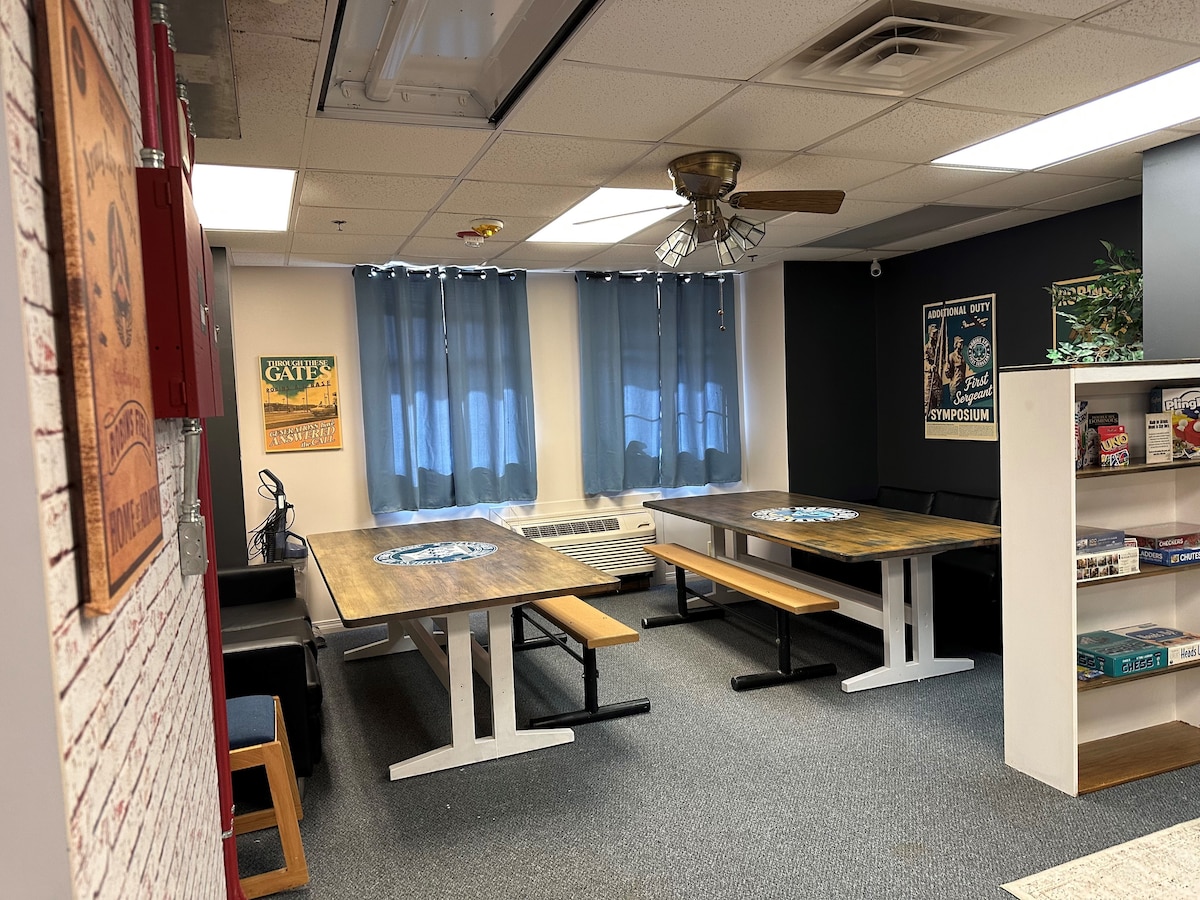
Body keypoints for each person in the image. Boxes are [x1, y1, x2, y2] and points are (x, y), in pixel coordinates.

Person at [923, 323, 942, 415]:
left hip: (936, 378)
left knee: (937, 400)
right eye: (933, 333)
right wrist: (930, 367)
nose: (935, 335)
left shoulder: (937, 347)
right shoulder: (926, 348)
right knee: (928, 401)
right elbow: (924, 361)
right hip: (929, 377)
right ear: (930, 333)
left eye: (936, 333)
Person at [945, 334, 967, 399]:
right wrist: (947, 371)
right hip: (955, 385)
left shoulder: (962, 357)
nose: (961, 344)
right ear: (956, 344)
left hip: (962, 384)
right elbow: (948, 374)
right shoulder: (952, 356)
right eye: (960, 343)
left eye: (962, 343)